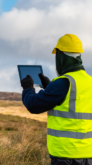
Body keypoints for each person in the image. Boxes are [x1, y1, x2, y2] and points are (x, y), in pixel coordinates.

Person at [21, 34, 92, 165]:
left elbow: (33, 105)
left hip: (66, 157)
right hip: (89, 156)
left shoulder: (63, 83)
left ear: (61, 57)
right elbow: (71, 102)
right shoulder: (89, 82)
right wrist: (49, 87)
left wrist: (27, 88)